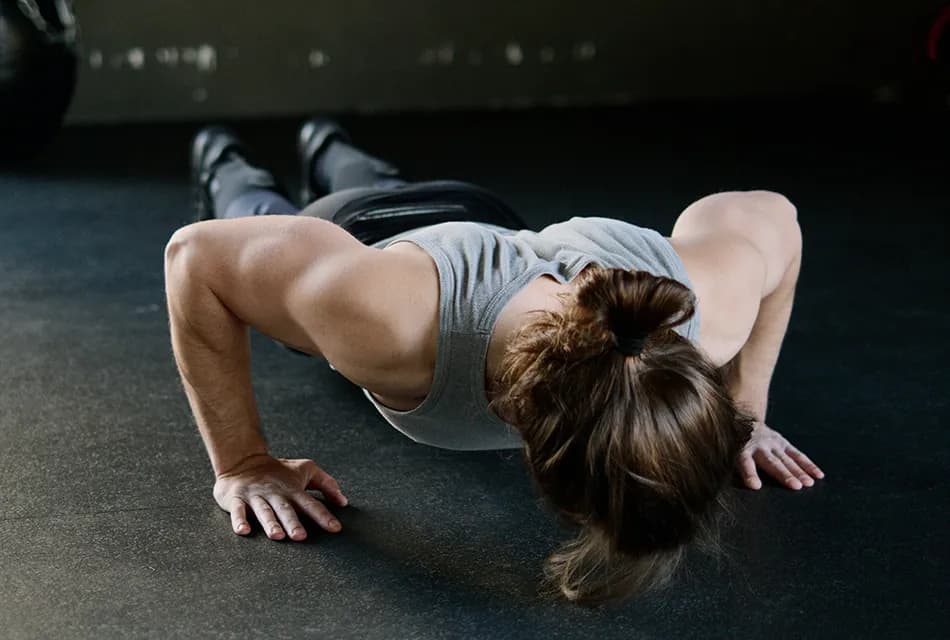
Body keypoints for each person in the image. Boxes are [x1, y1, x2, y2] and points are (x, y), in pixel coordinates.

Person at [164, 118, 824, 604]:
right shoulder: (383, 324)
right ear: (528, 439)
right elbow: (196, 259)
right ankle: (225, 157)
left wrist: (742, 413)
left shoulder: (708, 308)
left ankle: (327, 142)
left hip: (477, 217)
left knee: (393, 183)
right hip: (363, 233)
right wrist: (244, 463)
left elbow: (779, 219)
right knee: (259, 214)